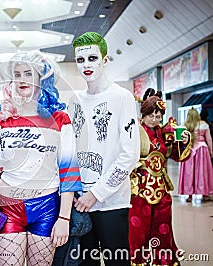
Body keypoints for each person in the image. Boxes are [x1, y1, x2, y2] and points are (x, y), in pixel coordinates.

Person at [0, 50, 82, 266]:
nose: (22, 79)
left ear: (42, 77)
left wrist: (64, 218)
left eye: (28, 73)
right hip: (8, 207)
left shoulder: (60, 119)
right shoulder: (4, 119)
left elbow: (69, 172)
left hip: (46, 207)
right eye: (17, 74)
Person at [64, 32, 140, 266]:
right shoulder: (74, 100)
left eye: (92, 58)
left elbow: (130, 154)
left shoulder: (122, 97)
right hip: (79, 202)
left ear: (105, 60)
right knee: (84, 263)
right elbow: (68, 150)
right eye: (80, 60)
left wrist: (96, 194)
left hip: (111, 202)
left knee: (117, 261)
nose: (86, 65)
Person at [129, 89, 191, 265]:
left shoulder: (164, 132)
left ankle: (163, 261)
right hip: (139, 189)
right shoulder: (134, 130)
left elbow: (176, 156)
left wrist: (183, 140)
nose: (155, 120)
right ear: (144, 114)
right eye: (151, 116)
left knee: (163, 229)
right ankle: (138, 261)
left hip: (161, 188)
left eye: (158, 116)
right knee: (138, 230)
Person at [178, 108, 213, 205]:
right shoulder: (204, 124)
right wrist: (211, 151)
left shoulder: (185, 125)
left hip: (189, 150)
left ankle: (189, 195)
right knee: (202, 172)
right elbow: (209, 139)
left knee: (189, 173)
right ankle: (205, 194)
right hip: (202, 150)